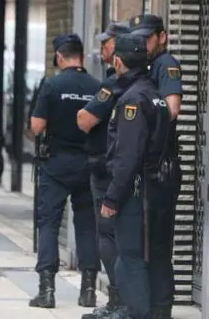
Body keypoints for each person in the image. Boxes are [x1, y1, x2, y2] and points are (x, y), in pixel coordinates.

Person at [102, 33, 179, 319]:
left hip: (136, 189)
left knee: (130, 258)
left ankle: (141, 313)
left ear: (119, 61)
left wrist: (112, 196)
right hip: (156, 186)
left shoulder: (132, 99)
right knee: (157, 255)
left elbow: (128, 155)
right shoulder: (156, 94)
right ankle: (160, 311)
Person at [28, 34, 100, 309]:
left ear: (59, 57)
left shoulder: (52, 85)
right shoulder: (97, 87)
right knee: (86, 226)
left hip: (55, 164)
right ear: (81, 56)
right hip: (87, 165)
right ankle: (89, 291)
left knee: (48, 224)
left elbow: (36, 126)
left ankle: (46, 291)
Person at [76, 21, 130, 319]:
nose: (102, 48)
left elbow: (85, 120)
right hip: (129, 168)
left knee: (108, 235)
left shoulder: (113, 84)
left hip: (107, 169)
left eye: (107, 43)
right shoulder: (141, 82)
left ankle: (118, 301)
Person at [129, 14, 182, 317]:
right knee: (147, 242)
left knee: (158, 244)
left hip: (162, 165)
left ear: (161, 37)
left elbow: (172, 109)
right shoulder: (149, 67)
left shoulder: (166, 64)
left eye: (147, 37)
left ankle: (161, 309)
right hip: (152, 164)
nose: (143, 43)